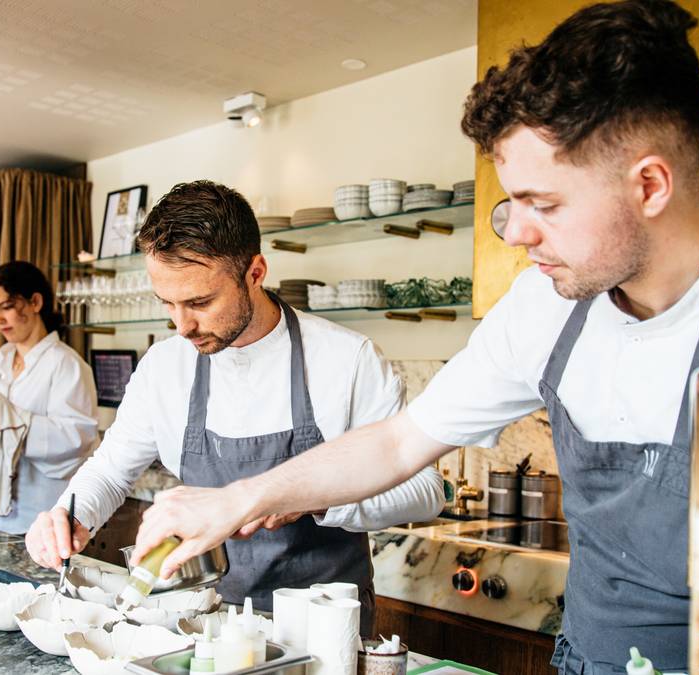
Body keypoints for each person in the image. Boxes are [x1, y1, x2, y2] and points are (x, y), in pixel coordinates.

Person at [129, 2, 699, 673]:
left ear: (649, 185)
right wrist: (237, 500)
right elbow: (397, 443)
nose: (515, 232)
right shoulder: (545, 307)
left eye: (540, 202)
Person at [25, 180, 444, 633]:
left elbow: (423, 492)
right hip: (205, 624)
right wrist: (70, 515)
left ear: (255, 272)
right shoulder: (165, 367)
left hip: (323, 627)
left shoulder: (347, 359)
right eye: (167, 303)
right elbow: (110, 470)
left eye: (200, 302)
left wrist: (312, 497)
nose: (181, 325)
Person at [0, 261, 99, 534]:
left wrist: (13, 422)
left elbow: (78, 437)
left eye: (6, 307)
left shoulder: (67, 365)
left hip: (37, 513)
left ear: (35, 302)